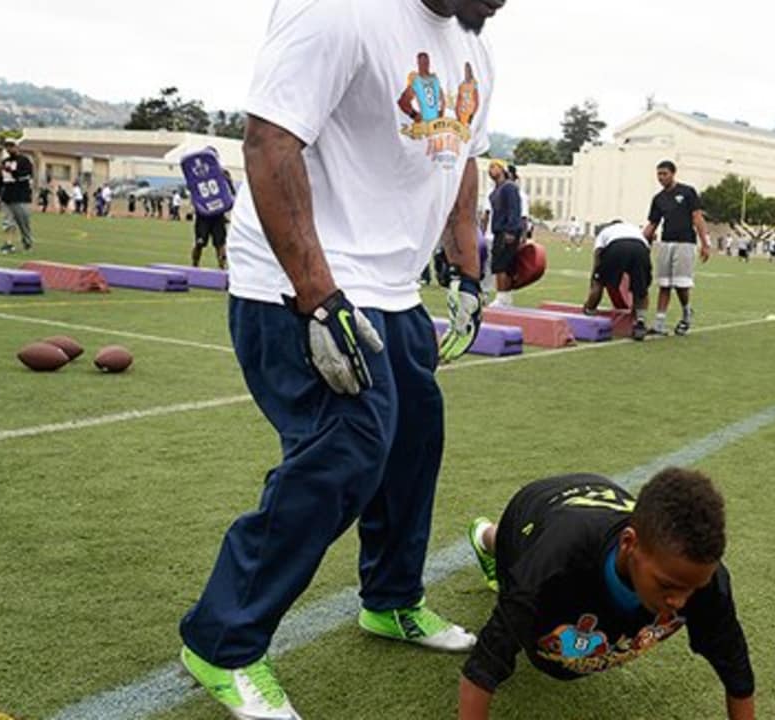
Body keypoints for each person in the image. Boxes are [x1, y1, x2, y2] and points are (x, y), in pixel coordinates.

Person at [177, 2, 502, 717]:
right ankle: (221, 641)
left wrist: (468, 274)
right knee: (347, 447)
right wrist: (317, 296)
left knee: (415, 439)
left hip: (390, 289)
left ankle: (390, 600)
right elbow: (267, 141)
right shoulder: (340, 10)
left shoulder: (475, 49)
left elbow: (462, 161)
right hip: (294, 284)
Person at [460, 469, 756, 720]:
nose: (679, 602)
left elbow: (736, 670)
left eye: (692, 588)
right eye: (668, 586)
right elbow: (482, 667)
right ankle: (488, 536)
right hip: (535, 512)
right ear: (629, 544)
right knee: (541, 635)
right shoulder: (553, 563)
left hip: (598, 507)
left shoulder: (702, 578)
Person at [643, 161, 710, 336]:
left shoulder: (687, 192)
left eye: (664, 174)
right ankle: (659, 323)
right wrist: (641, 241)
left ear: (673, 173)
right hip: (666, 243)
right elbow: (653, 223)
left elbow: (697, 217)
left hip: (685, 243)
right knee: (664, 284)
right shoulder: (658, 199)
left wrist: (705, 242)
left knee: (681, 284)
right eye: (659, 174)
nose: (661, 177)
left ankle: (687, 313)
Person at [583, 220, 653, 341]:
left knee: (599, 282)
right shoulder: (633, 228)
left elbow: (598, 255)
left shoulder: (605, 232)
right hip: (640, 249)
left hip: (617, 247)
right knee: (641, 288)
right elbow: (647, 249)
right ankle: (640, 322)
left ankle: (590, 310)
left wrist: (596, 277)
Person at [486, 159, 522, 307]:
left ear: (502, 169)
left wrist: (511, 230)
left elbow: (514, 209)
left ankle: (502, 297)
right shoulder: (495, 190)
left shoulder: (509, 187)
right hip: (498, 230)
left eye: (493, 167)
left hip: (506, 230)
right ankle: (505, 297)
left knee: (502, 265)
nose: (490, 170)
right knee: (500, 265)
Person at [0, 139, 35, 254]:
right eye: (7, 146)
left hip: (21, 196)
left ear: (17, 147)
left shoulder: (24, 161)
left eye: (11, 146)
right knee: (7, 222)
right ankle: (8, 244)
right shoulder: (4, 162)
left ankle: (27, 243)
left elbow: (25, 176)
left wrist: (11, 171)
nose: (9, 148)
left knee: (23, 223)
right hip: (7, 196)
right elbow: (0, 180)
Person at [193, 171, 235, 270]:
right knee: (200, 243)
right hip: (204, 215)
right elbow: (193, 190)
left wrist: (227, 181)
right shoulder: (199, 174)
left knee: (220, 244)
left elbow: (231, 193)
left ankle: (222, 267)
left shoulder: (222, 173)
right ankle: (195, 264)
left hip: (217, 214)